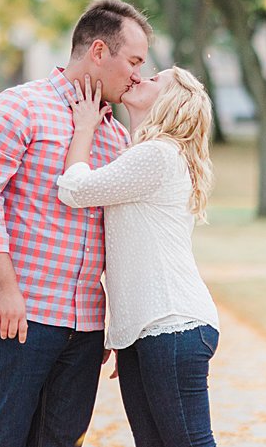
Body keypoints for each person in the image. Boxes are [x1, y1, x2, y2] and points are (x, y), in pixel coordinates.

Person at [0, 0, 153, 447]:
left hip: (85, 327)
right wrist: (5, 290)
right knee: (1, 439)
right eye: (133, 61)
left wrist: (114, 321)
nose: (138, 75)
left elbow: (120, 236)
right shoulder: (19, 107)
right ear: (100, 51)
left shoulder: (115, 135)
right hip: (18, 316)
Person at [58, 67, 219, 447]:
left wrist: (83, 128)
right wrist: (126, 330)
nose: (140, 77)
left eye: (154, 80)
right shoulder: (144, 154)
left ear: (169, 103)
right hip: (146, 331)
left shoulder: (157, 155)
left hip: (171, 324)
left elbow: (75, 190)